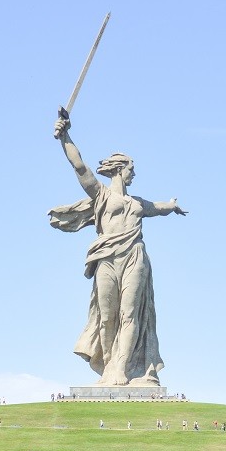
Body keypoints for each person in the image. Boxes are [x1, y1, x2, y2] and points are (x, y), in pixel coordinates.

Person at [50, 114, 185, 387]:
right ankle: (110, 367)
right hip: (107, 258)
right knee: (107, 317)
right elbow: (79, 167)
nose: (133, 173)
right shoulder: (100, 194)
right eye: (131, 168)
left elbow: (158, 208)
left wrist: (171, 205)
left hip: (134, 256)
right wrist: (65, 137)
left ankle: (122, 369)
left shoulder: (137, 203)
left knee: (130, 314)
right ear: (119, 169)